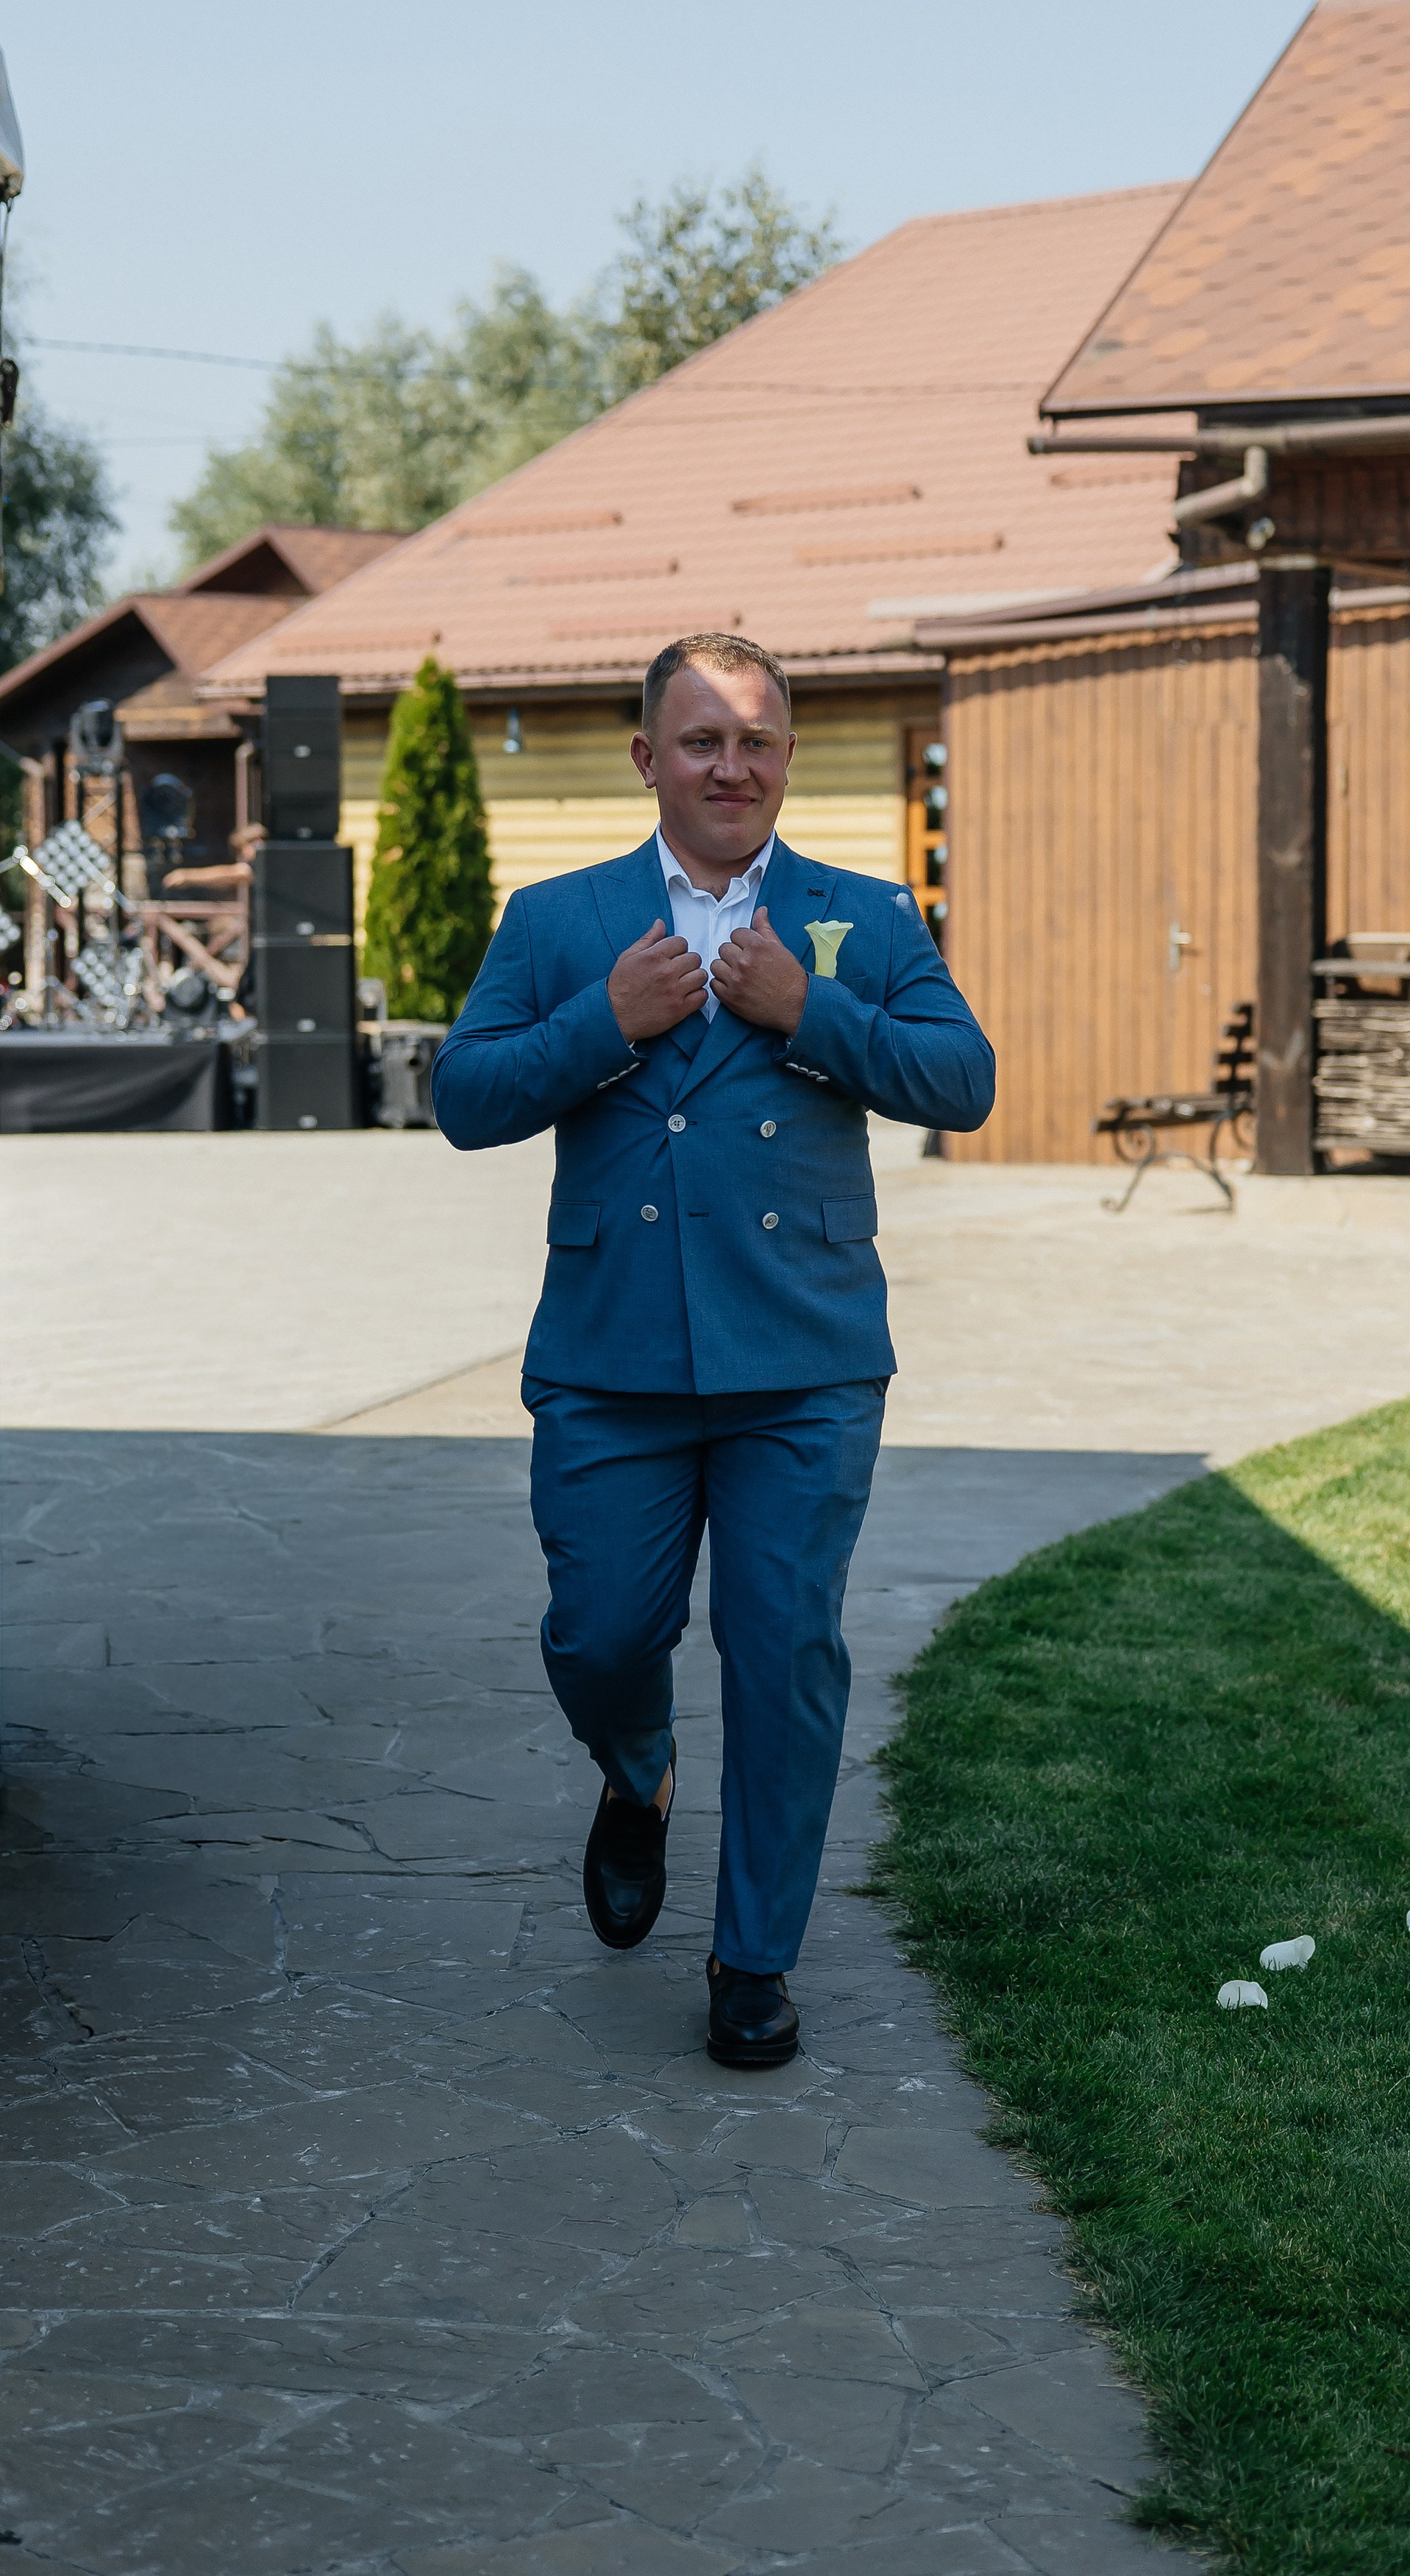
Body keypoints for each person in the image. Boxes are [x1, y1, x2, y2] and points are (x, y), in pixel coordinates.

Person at [432, 633, 994, 2068]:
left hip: (800, 1359)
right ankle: (636, 1771)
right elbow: (466, 1096)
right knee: (600, 1632)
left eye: (755, 738)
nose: (729, 764)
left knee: (781, 1649)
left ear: (786, 756)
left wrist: (810, 1012)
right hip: (610, 1354)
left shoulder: (860, 917)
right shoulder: (558, 919)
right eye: (699, 739)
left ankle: (753, 1958)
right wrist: (599, 1022)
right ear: (646, 758)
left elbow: (964, 1080)